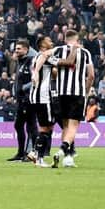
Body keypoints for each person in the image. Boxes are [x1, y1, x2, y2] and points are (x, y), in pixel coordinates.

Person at [29, 36, 76, 167]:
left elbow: (54, 72)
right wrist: (74, 50)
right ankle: (38, 157)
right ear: (43, 44)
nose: (52, 42)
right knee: (46, 128)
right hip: (43, 97)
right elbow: (68, 62)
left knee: (46, 127)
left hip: (35, 97)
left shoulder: (36, 57)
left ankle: (36, 154)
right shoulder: (45, 56)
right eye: (49, 40)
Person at [51, 30, 94, 168]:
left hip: (61, 93)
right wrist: (86, 92)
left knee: (65, 126)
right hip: (78, 93)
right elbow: (91, 75)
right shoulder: (85, 53)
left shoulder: (57, 51)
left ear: (65, 39)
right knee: (73, 125)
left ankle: (68, 158)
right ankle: (64, 151)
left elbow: (54, 71)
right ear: (77, 39)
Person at [7, 39, 38, 162]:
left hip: (28, 99)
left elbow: (36, 79)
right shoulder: (20, 62)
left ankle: (31, 153)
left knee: (31, 126)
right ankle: (21, 153)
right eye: (16, 48)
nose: (16, 50)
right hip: (20, 100)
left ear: (26, 49)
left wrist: (23, 89)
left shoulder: (31, 61)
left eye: (19, 48)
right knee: (19, 125)